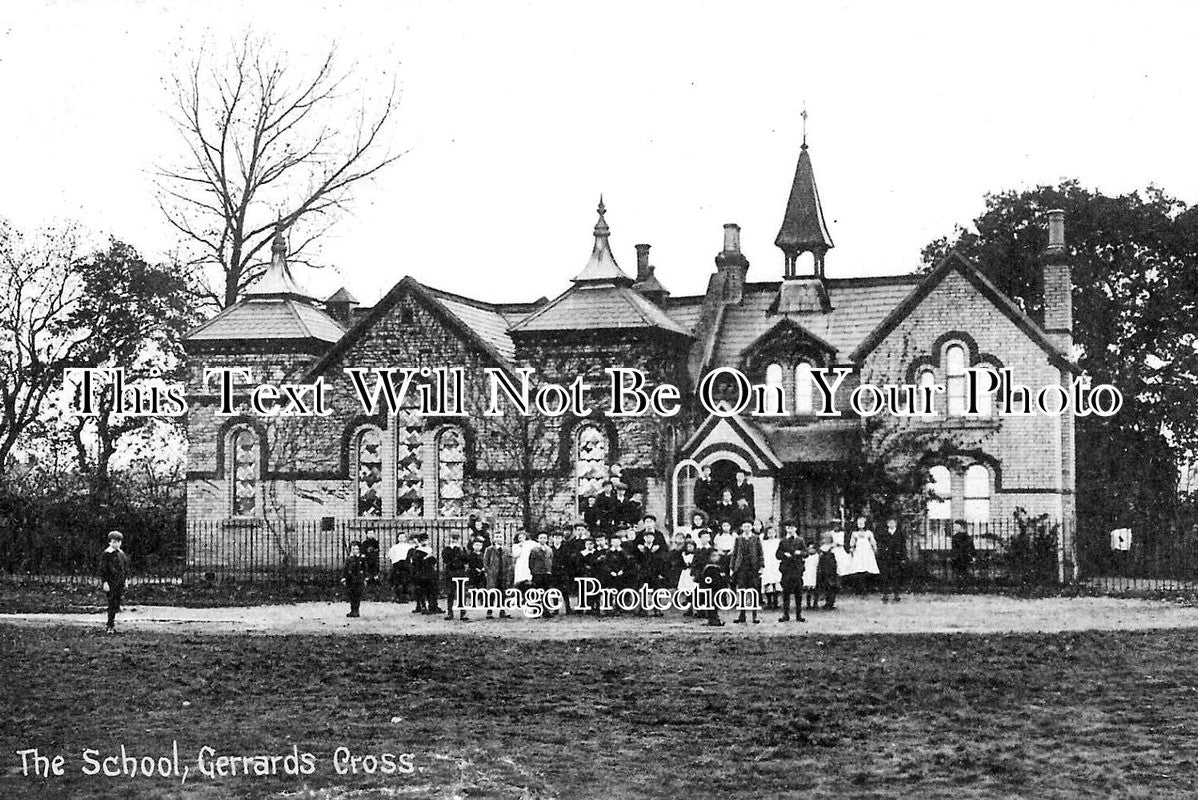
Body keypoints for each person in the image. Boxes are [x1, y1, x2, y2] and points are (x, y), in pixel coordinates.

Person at [731, 521, 763, 624]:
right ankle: (742, 615)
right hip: (742, 568)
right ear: (742, 527)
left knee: (753, 591)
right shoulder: (739, 539)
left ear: (752, 527)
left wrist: (761, 566)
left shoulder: (756, 538)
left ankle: (754, 616)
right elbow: (735, 553)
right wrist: (732, 567)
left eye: (749, 526)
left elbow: (760, 553)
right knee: (742, 591)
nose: (747, 528)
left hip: (753, 568)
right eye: (745, 526)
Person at [98, 530, 130, 634]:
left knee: (116, 603)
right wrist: (105, 582)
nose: (116, 544)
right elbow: (103, 569)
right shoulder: (107, 554)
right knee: (111, 603)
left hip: (119, 582)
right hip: (111, 582)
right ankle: (109, 625)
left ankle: (112, 623)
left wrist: (125, 580)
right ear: (109, 542)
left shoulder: (121, 554)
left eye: (118, 542)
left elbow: (125, 568)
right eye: (114, 541)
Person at [776, 522, 806, 623]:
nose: (790, 530)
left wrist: (800, 553)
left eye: (792, 528)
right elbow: (777, 554)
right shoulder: (783, 541)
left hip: (797, 569)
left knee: (798, 592)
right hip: (787, 569)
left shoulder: (800, 540)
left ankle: (798, 615)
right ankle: (786, 614)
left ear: (796, 529)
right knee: (786, 593)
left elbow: (806, 553)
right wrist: (784, 554)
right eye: (788, 528)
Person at [407, 533, 442, 615]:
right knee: (422, 590)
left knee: (432, 590)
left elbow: (434, 561)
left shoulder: (429, 549)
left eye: (426, 540)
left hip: (430, 572)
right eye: (422, 540)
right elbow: (417, 562)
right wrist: (426, 558)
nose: (425, 542)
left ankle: (432, 605)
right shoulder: (417, 551)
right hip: (421, 573)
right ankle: (423, 606)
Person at [442, 531, 471, 621]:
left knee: (461, 593)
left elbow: (466, 559)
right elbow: (446, 559)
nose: (454, 540)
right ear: (449, 539)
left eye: (456, 538)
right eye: (453, 538)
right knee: (450, 593)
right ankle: (450, 612)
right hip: (450, 573)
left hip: (460, 573)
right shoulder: (447, 549)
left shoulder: (462, 549)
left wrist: (460, 550)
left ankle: (463, 613)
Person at [847, 516, 880, 593]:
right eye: (859, 523)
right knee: (858, 569)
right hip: (858, 553)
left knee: (868, 569)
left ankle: (868, 587)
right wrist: (852, 550)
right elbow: (852, 543)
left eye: (862, 523)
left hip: (867, 553)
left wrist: (875, 549)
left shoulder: (868, 533)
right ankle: (859, 588)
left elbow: (873, 542)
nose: (860, 524)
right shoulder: (855, 534)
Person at [483, 534, 514, 619]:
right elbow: (486, 562)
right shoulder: (489, 550)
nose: (498, 539)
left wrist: (508, 572)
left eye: (500, 537)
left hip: (503, 574)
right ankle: (489, 611)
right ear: (494, 539)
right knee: (492, 593)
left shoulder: (506, 550)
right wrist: (489, 572)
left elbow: (509, 562)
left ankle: (502, 611)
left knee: (502, 593)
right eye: (496, 537)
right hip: (493, 575)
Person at [877, 517, 906, 602]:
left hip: (896, 558)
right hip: (886, 558)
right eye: (889, 522)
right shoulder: (884, 533)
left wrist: (903, 557)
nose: (891, 524)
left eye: (893, 522)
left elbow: (903, 546)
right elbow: (881, 545)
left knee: (895, 576)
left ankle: (896, 595)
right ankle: (885, 595)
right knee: (885, 576)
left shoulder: (900, 533)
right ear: (887, 524)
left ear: (896, 524)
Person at [529, 531, 555, 617]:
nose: (543, 540)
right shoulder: (534, 550)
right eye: (541, 538)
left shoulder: (549, 549)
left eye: (544, 538)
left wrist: (549, 570)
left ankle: (546, 611)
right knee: (537, 593)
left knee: (546, 592)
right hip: (537, 574)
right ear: (537, 539)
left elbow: (551, 560)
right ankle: (536, 611)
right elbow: (531, 562)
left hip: (547, 573)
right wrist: (534, 572)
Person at [699, 550, 727, 626]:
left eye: (717, 555)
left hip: (717, 590)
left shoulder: (719, 567)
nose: (716, 557)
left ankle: (714, 619)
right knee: (711, 605)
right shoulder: (708, 568)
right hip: (710, 590)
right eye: (714, 555)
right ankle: (712, 619)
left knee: (715, 605)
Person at [759, 524, 782, 610]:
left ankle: (776, 602)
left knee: (776, 582)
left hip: (776, 563)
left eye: (773, 532)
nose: (771, 534)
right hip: (767, 563)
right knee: (768, 582)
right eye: (769, 532)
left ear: (775, 533)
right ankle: (769, 602)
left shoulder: (778, 541)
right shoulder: (764, 543)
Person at [816, 531, 840, 610]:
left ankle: (830, 603)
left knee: (831, 586)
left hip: (830, 570)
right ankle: (828, 602)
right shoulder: (823, 549)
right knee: (826, 586)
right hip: (824, 570)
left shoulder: (831, 549)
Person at [387, 533, 413, 603]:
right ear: (398, 538)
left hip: (406, 566)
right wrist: (395, 563)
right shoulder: (394, 547)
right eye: (400, 537)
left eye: (403, 537)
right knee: (398, 582)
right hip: (397, 566)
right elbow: (391, 556)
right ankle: (398, 597)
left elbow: (411, 557)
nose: (402, 538)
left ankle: (405, 597)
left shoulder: (409, 546)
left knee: (406, 582)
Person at [343, 541, 366, 618]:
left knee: (357, 595)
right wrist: (344, 578)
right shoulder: (349, 559)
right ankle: (353, 610)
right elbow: (345, 569)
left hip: (359, 579)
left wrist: (365, 578)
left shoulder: (362, 559)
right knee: (351, 595)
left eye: (357, 549)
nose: (355, 551)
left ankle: (356, 611)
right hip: (350, 579)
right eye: (353, 549)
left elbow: (365, 568)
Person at [951, 520, 975, 586]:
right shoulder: (967, 537)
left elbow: (955, 549)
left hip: (960, 558)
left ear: (960, 526)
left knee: (960, 573)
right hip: (965, 557)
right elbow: (972, 548)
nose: (954, 528)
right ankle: (964, 584)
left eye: (956, 526)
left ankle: (961, 585)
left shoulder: (956, 537)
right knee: (963, 572)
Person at [802, 543, 820, 611]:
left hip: (814, 574)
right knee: (808, 590)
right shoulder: (805, 557)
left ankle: (815, 604)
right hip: (807, 575)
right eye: (809, 548)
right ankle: (808, 604)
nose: (811, 550)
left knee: (816, 590)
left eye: (812, 548)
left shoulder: (817, 556)